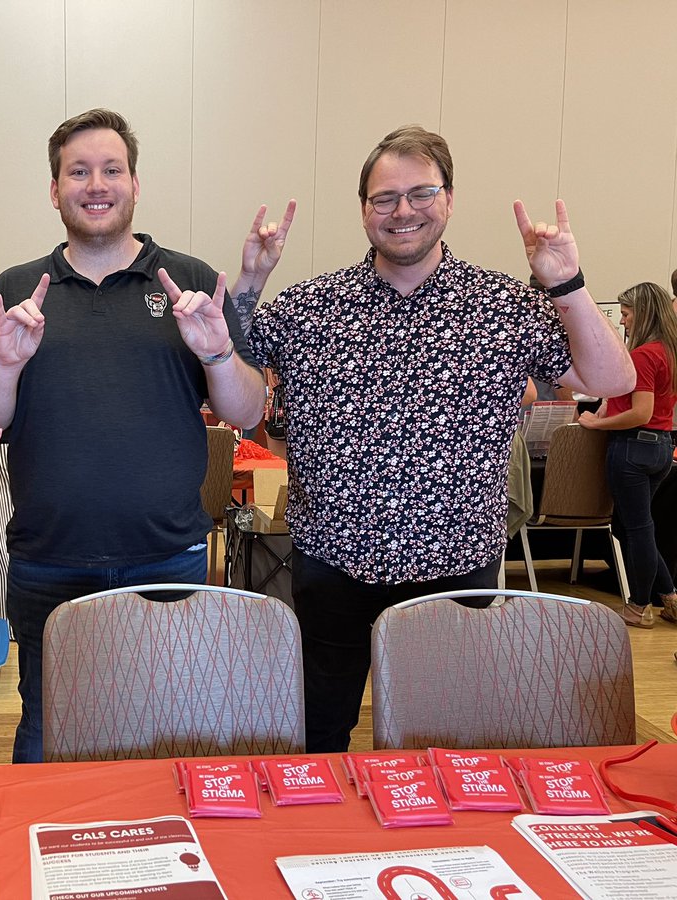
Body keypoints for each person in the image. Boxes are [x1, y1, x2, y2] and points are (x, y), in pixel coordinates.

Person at [245, 125, 636, 753]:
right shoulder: (308, 305)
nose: (403, 211)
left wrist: (566, 284)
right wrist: (247, 282)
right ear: (364, 209)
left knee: (445, 746)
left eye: (421, 192)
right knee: (317, 735)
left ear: (449, 199)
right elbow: (229, 369)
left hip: (455, 565)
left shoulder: (505, 304)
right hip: (331, 559)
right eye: (384, 197)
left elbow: (612, 378)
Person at [0, 108, 267, 763]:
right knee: (46, 725)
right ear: (54, 189)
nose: (95, 184)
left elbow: (246, 410)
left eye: (111, 169)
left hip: (166, 556)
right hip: (48, 558)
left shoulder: (186, 281)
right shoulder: (16, 290)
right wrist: (6, 363)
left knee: (159, 732)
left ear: (134, 184)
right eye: (78, 171)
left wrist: (216, 354)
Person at [579, 282, 677, 627]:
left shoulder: (644, 354)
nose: (622, 321)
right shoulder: (668, 351)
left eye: (625, 313)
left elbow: (640, 413)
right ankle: (669, 596)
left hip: (633, 447)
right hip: (661, 447)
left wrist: (595, 424)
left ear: (643, 313)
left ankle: (638, 607)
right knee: (636, 527)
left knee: (636, 529)